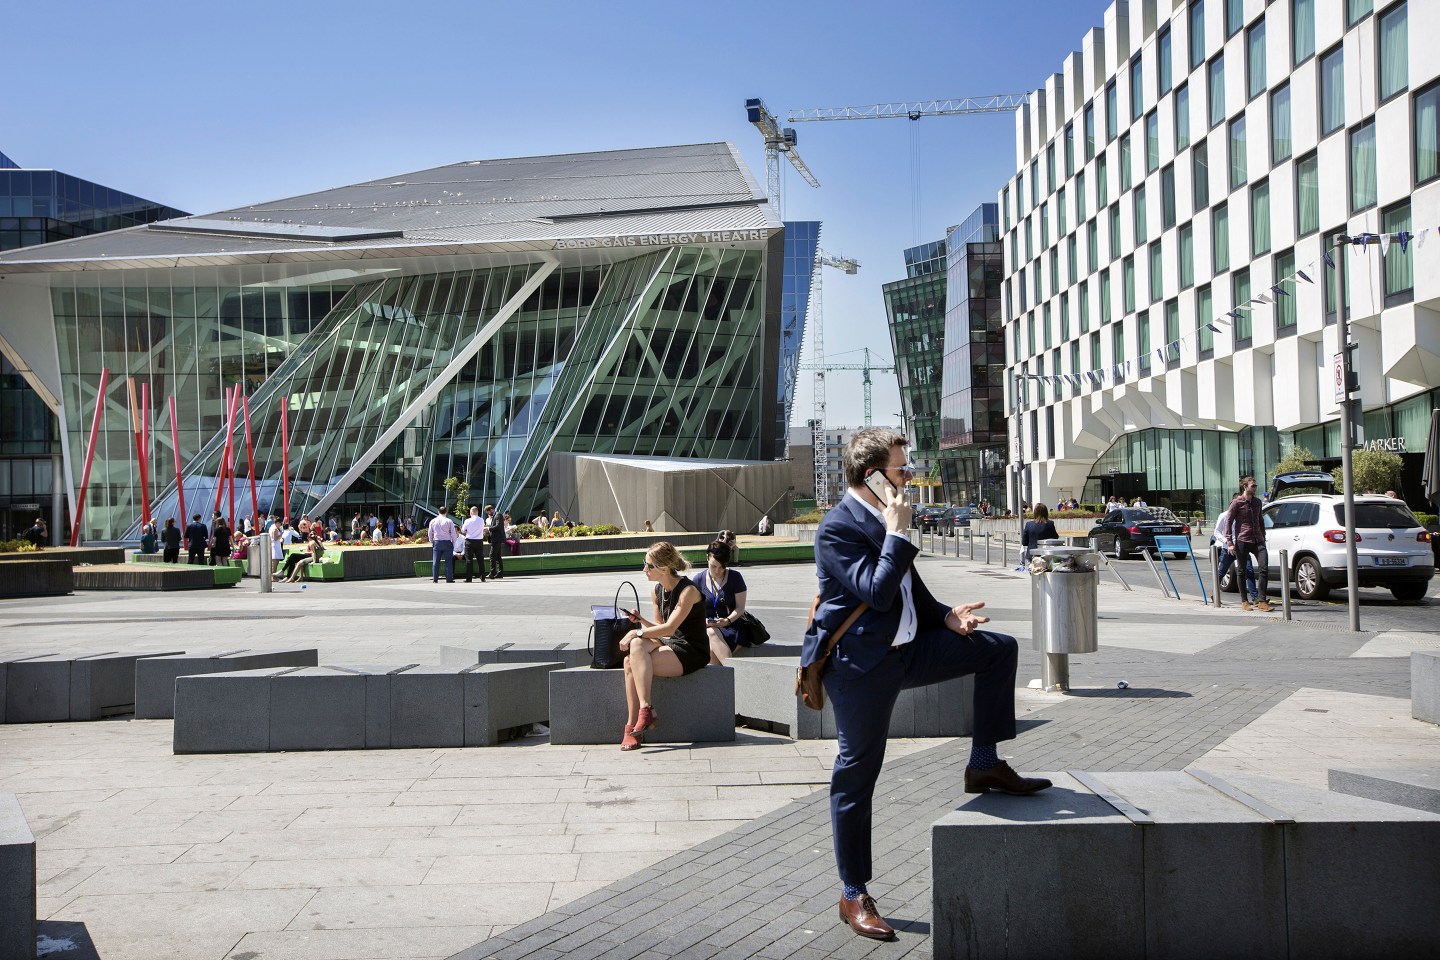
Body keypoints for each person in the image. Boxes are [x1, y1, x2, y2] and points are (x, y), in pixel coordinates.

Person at [805, 427, 1050, 940]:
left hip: (911, 651)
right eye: (901, 469)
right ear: (871, 476)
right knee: (858, 770)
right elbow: (875, 591)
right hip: (862, 667)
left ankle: (984, 765)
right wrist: (896, 533)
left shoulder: (884, 519)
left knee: (998, 650)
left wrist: (948, 618)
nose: (910, 477)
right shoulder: (836, 529)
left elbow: (912, 593)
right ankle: (852, 893)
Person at [618, 542, 711, 750]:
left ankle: (634, 724)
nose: (644, 570)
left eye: (648, 565)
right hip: (671, 643)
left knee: (631, 660)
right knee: (633, 653)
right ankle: (642, 713)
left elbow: (670, 628)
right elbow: (661, 628)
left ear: (664, 568)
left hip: (691, 650)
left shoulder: (688, 591)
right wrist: (641, 621)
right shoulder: (657, 591)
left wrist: (637, 632)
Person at [692, 538, 752, 665]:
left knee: (711, 636)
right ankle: (729, 676)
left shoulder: (735, 577)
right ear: (707, 558)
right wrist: (704, 622)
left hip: (733, 625)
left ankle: (730, 673)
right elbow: (692, 611)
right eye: (714, 566)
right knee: (710, 637)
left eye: (722, 567)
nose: (718, 571)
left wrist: (727, 621)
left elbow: (740, 608)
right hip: (708, 626)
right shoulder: (698, 579)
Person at [1225, 476, 1272, 612]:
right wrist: (1230, 542)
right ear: (1245, 487)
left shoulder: (1257, 502)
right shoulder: (1236, 503)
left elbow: (1260, 519)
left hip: (1258, 540)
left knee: (1263, 568)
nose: (1255, 488)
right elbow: (1228, 522)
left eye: (1255, 485)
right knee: (1242, 571)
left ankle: (1262, 600)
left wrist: (1263, 534)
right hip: (1242, 540)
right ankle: (1244, 601)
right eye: (1252, 486)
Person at [428, 506, 458, 583]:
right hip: (447, 542)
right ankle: (448, 578)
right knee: (448, 561)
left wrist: (432, 541)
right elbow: (453, 533)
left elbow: (430, 533)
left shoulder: (433, 521)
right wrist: (454, 543)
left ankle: (435, 578)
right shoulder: (449, 521)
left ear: (438, 512)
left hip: (437, 542)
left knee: (436, 561)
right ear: (446, 512)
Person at [460, 505, 487, 583]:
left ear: (471, 512)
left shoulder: (468, 521)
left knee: (469, 560)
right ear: (477, 512)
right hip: (479, 541)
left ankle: (469, 578)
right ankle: (482, 577)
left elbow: (463, 530)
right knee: (480, 559)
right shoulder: (481, 520)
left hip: (469, 541)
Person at [486, 505, 506, 580]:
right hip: (496, 539)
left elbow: (498, 526)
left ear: (491, 509)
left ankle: (492, 573)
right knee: (497, 556)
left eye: (488, 512)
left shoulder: (498, 515)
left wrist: (488, 529)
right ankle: (500, 573)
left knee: (492, 555)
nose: (488, 514)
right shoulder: (495, 515)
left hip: (497, 539)